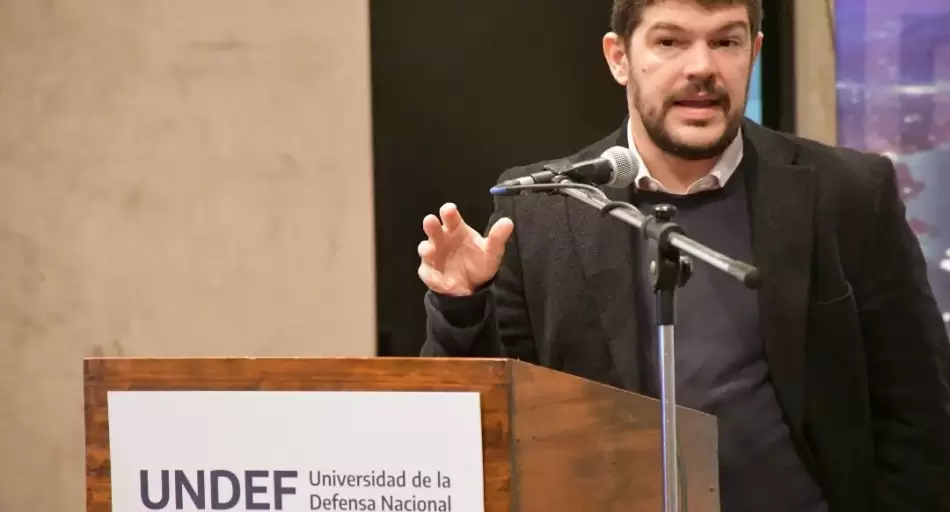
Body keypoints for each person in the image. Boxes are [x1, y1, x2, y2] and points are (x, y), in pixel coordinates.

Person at [416, 0, 950, 510]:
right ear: (619, 58)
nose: (702, 68)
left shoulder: (849, 194)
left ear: (754, 52)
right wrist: (461, 304)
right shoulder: (542, 210)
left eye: (726, 42)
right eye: (670, 42)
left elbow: (920, 413)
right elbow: (482, 424)